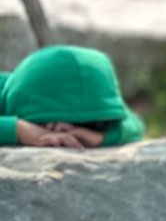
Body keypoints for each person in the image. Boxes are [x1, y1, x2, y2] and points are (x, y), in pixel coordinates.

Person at [1, 44, 145, 148]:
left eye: (89, 122)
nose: (63, 134)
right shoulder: (20, 96)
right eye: (51, 125)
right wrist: (18, 129)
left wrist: (101, 136)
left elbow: (133, 123)